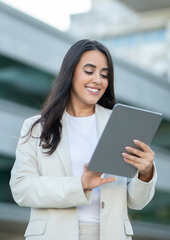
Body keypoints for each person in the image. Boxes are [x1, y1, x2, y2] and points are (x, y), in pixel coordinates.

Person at [10, 39, 157, 240]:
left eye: (104, 75)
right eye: (89, 71)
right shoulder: (37, 127)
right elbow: (21, 189)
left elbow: (136, 202)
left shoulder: (119, 123)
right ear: (70, 74)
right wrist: (80, 184)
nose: (98, 80)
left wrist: (146, 173)